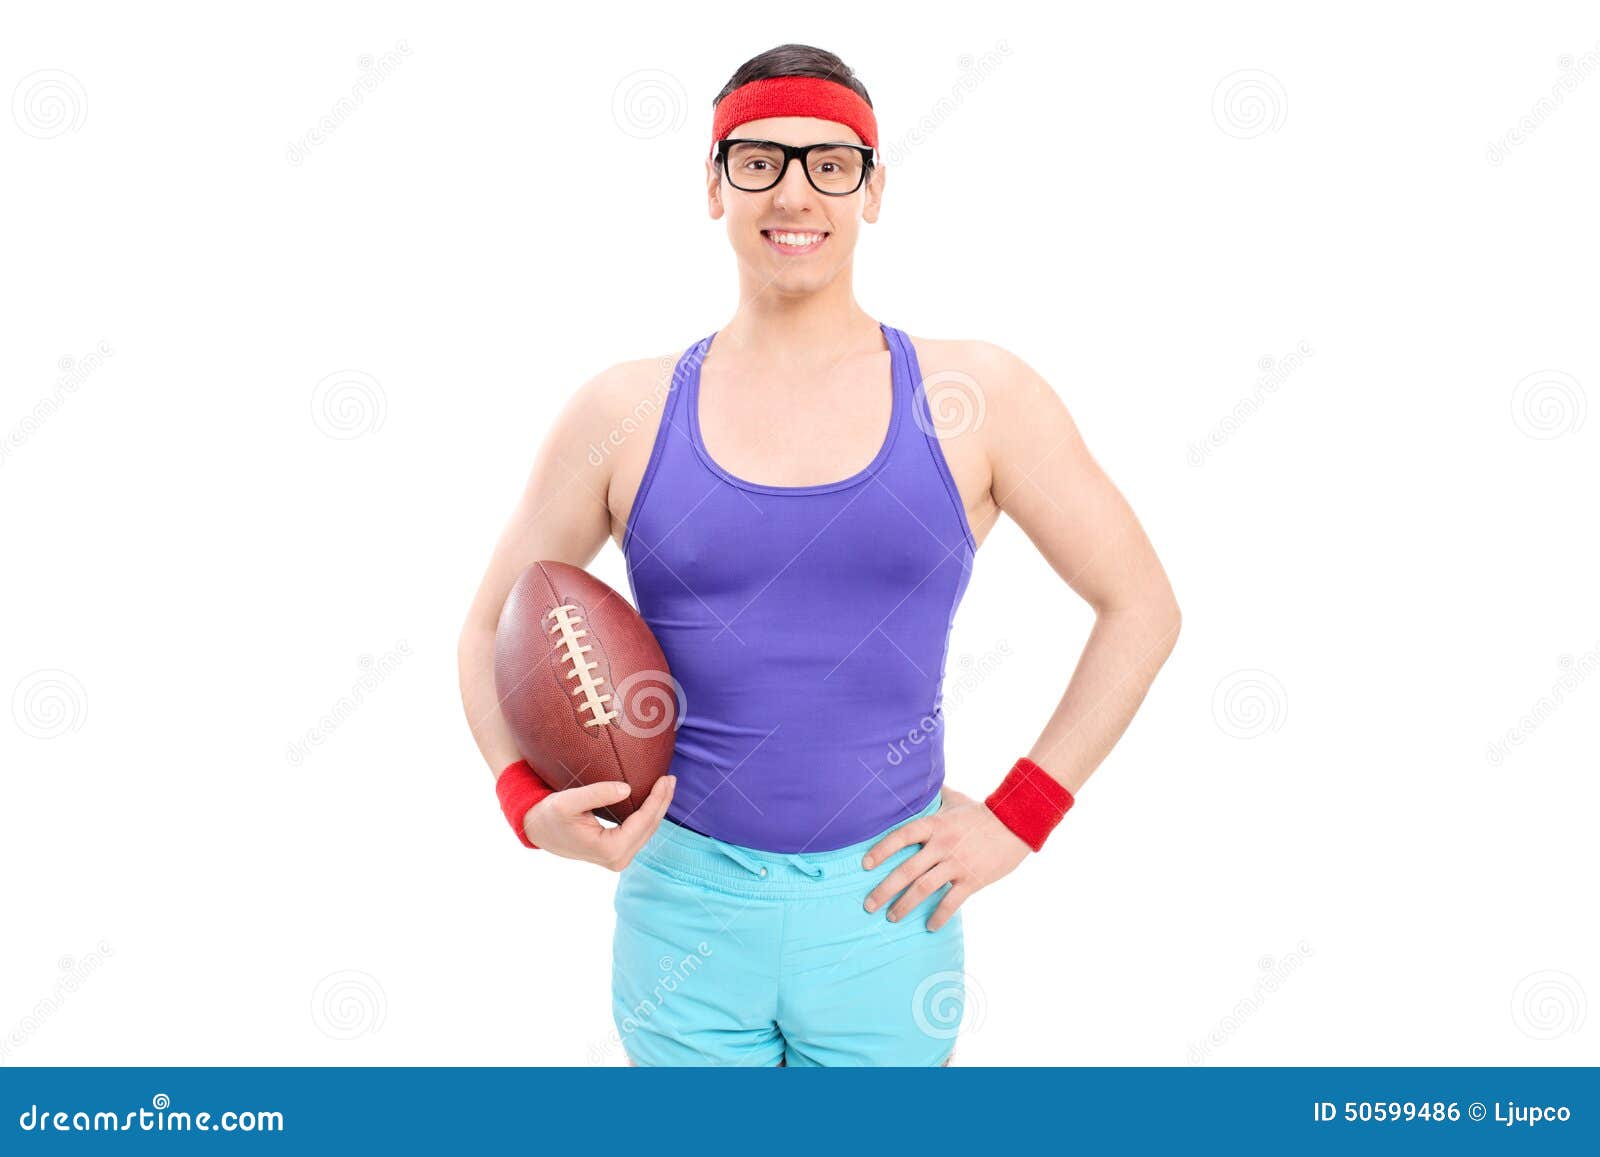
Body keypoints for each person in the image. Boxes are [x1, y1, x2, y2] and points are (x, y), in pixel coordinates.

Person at [457, 43, 1182, 1066]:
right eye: (757, 159)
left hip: (890, 901)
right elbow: (490, 625)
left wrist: (1021, 813)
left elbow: (1140, 603)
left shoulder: (975, 396)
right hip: (684, 905)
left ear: (874, 187)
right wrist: (524, 803)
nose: (793, 190)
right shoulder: (622, 409)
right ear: (712, 183)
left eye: (829, 163)